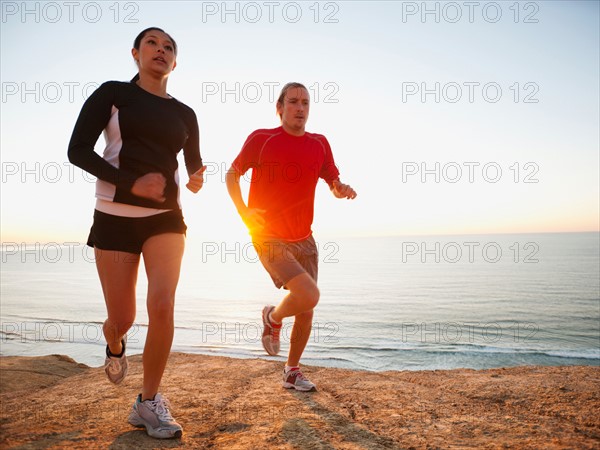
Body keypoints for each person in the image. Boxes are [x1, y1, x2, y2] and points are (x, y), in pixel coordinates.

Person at [67, 27, 205, 439]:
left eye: (169, 47)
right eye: (152, 44)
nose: (161, 51)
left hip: (166, 217)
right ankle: (113, 342)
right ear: (135, 53)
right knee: (122, 318)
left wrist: (196, 178)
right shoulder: (114, 94)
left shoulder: (185, 113)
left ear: (175, 63)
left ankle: (147, 402)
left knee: (162, 304)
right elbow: (77, 150)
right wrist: (130, 183)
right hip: (114, 216)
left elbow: (194, 162)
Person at [226, 82, 357, 392]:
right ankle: (272, 316)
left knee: (307, 308)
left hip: (304, 239)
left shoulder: (320, 143)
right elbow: (232, 173)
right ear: (280, 107)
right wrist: (243, 211)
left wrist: (341, 189)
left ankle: (291, 371)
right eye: (294, 102)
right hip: (268, 236)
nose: (301, 108)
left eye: (306, 103)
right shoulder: (261, 139)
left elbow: (333, 182)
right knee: (309, 295)